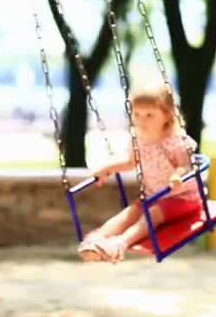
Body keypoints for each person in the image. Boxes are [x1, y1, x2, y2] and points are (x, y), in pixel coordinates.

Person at [77, 84, 202, 263]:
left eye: (149, 115)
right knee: (128, 214)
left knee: (153, 214)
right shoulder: (137, 140)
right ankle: (96, 240)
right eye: (137, 114)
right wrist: (106, 168)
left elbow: (185, 165)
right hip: (153, 196)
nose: (142, 120)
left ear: (167, 115)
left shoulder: (176, 141)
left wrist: (177, 176)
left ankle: (120, 243)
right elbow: (129, 162)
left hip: (182, 198)